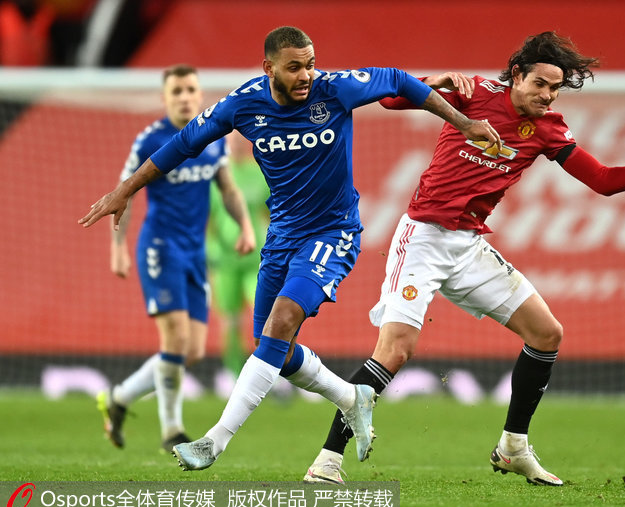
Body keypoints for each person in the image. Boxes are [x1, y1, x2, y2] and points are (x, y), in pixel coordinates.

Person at [79, 26, 502, 471]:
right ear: (270, 69)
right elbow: (183, 144)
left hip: (333, 233)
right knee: (273, 349)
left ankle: (213, 442)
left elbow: (396, 79)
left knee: (281, 322)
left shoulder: (334, 90)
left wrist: (464, 123)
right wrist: (125, 189)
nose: (306, 75)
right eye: (295, 67)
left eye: (310, 64)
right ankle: (351, 397)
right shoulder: (243, 104)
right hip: (281, 237)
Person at [303, 31, 625, 485]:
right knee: (396, 350)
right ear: (517, 75)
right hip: (423, 239)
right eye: (540, 84)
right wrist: (435, 82)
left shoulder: (549, 128)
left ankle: (513, 447)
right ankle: (326, 462)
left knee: (547, 333)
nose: (547, 95)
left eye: (555, 88)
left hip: (469, 247)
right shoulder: (474, 92)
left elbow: (603, 181)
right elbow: (391, 100)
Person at [95, 64, 257, 452]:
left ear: (199, 95)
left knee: (193, 351)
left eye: (190, 90)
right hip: (160, 248)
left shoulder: (213, 138)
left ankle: (119, 397)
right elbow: (123, 193)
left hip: (195, 253)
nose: (184, 97)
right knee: (176, 338)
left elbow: (228, 189)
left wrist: (246, 227)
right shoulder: (151, 140)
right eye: (177, 91)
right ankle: (172, 430)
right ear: (164, 98)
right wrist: (117, 248)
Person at [206, 131, 270, 381]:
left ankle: (270, 372)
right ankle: (233, 373)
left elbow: (269, 214)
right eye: (232, 140)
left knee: (265, 314)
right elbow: (209, 219)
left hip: (255, 259)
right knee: (230, 320)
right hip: (224, 261)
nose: (237, 144)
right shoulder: (216, 176)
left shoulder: (259, 173)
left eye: (241, 139)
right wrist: (211, 253)